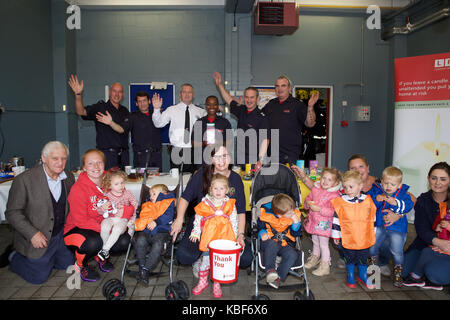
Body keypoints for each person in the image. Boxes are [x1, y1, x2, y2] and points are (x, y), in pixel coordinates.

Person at [170, 144, 252, 270]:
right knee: (184, 256)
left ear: (230, 157)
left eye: (224, 156)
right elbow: (185, 197)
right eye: (217, 157)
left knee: (246, 258)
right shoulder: (202, 174)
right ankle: (202, 258)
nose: (221, 161)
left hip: (227, 225)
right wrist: (179, 219)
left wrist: (240, 234)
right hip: (202, 222)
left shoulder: (236, 179)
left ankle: (215, 261)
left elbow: (240, 211)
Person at [5, 141, 75, 284]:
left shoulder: (68, 177)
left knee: (68, 265)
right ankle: (13, 256)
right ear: (44, 158)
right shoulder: (24, 180)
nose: (60, 163)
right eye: (55, 158)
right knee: (38, 277)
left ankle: (49, 257)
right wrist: (32, 234)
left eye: (63, 158)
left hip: (60, 234)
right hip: (38, 236)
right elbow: (12, 212)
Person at [64, 149, 134, 282]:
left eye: (99, 162)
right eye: (90, 163)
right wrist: (110, 230)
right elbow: (80, 221)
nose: (96, 167)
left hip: (102, 226)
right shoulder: (78, 189)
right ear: (84, 167)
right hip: (77, 229)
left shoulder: (110, 181)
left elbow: (128, 201)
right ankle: (80, 265)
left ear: (104, 164)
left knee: (124, 240)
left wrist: (123, 214)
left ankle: (100, 256)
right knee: (94, 243)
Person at [402, 162, 450, 290]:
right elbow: (421, 230)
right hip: (425, 243)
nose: (437, 183)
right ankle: (424, 271)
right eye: (434, 178)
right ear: (428, 179)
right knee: (404, 272)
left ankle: (431, 272)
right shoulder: (423, 200)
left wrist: (446, 246)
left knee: (435, 275)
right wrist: (439, 242)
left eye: (443, 179)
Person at [190, 174, 238, 298]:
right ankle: (203, 282)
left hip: (224, 238)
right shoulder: (205, 203)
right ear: (210, 189)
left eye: (222, 188)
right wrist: (196, 232)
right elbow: (198, 218)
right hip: (208, 238)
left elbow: (234, 220)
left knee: (218, 264)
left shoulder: (230, 204)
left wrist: (236, 236)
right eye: (215, 188)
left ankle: (217, 284)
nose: (218, 191)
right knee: (206, 261)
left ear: (227, 190)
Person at [68, 74, 130, 170]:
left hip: (124, 156)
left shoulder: (125, 111)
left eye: (120, 92)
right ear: (110, 92)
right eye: (114, 91)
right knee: (107, 183)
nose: (117, 94)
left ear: (123, 94)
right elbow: (81, 111)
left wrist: (110, 122)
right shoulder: (100, 107)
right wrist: (78, 95)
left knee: (123, 183)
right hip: (107, 155)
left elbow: (122, 130)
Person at [213, 72, 270, 171]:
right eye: (247, 97)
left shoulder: (262, 118)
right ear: (244, 98)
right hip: (240, 160)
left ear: (258, 99)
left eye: (252, 97)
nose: (249, 100)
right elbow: (229, 100)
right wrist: (220, 85)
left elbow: (266, 140)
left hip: (254, 161)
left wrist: (260, 160)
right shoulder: (241, 110)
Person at [367, 166, 414, 287]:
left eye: (392, 184)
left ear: (399, 185)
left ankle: (398, 274)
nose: (388, 186)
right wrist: (377, 200)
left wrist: (395, 203)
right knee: (373, 247)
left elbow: (408, 206)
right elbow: (369, 205)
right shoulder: (377, 191)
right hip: (380, 226)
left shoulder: (403, 194)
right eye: (386, 183)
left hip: (397, 229)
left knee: (396, 251)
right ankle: (373, 274)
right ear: (381, 182)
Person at [331, 170, 376, 289]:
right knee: (350, 257)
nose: (348, 190)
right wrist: (336, 235)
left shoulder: (368, 201)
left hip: (364, 238)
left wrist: (373, 233)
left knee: (363, 257)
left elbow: (373, 219)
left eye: (351, 186)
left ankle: (362, 275)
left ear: (360, 186)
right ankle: (350, 274)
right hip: (348, 238)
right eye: (345, 187)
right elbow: (336, 220)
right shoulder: (341, 202)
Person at [261, 75, 318, 164]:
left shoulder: (297, 104)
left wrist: (310, 107)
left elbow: (310, 124)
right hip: (271, 154)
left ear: (289, 88)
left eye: (283, 85)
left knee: (288, 177)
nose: (280, 88)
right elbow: (259, 119)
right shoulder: (270, 104)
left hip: (290, 154)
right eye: (277, 86)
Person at [152, 84, 206, 173]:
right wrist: (156, 110)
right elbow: (158, 124)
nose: (187, 94)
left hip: (195, 151)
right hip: (177, 151)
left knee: (194, 179)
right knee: (176, 179)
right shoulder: (171, 110)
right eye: (184, 92)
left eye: (189, 92)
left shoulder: (201, 112)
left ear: (193, 95)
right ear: (180, 94)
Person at [257, 194, 302, 289]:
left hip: (284, 243)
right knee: (272, 244)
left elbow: (295, 234)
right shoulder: (266, 216)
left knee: (292, 254)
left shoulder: (293, 216)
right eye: (290, 213)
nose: (293, 214)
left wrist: (296, 223)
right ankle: (270, 271)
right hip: (269, 243)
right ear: (279, 215)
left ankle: (278, 277)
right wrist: (262, 233)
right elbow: (259, 227)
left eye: (292, 210)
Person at [303, 167, 342, 277]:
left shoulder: (335, 195)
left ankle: (325, 265)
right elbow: (309, 197)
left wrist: (320, 209)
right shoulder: (316, 189)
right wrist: (307, 204)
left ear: (335, 183)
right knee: (315, 241)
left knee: (324, 244)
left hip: (324, 224)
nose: (325, 181)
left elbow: (334, 211)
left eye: (330, 180)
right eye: (324, 178)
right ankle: (315, 258)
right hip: (314, 221)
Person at [134, 184, 175, 285]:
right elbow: (143, 215)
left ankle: (146, 269)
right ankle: (142, 266)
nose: (151, 196)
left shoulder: (168, 203)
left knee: (158, 245)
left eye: (154, 194)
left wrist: (156, 221)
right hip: (147, 231)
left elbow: (168, 216)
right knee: (140, 241)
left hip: (161, 231)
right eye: (150, 194)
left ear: (164, 194)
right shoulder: (148, 204)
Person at [97, 170, 138, 261]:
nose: (121, 186)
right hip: (111, 217)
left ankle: (105, 250)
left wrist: (133, 218)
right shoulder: (107, 195)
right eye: (116, 184)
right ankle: (105, 249)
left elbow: (135, 205)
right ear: (109, 185)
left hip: (123, 219)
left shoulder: (127, 193)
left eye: (122, 183)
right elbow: (99, 209)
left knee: (117, 229)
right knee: (104, 226)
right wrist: (103, 207)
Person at [123, 91, 162, 169]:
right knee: (141, 179)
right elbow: (121, 129)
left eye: (144, 100)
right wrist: (110, 123)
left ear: (149, 101)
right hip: (141, 158)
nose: (142, 103)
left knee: (157, 180)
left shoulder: (157, 114)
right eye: (139, 101)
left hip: (156, 156)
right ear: (136, 103)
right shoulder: (132, 117)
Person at [191, 95, 232, 167]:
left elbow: (230, 143)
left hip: (220, 160)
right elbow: (193, 143)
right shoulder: (199, 122)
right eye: (209, 105)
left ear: (218, 106)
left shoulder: (225, 122)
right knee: (203, 178)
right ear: (206, 106)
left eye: (214, 104)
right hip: (202, 161)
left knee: (219, 178)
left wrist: (219, 143)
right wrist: (204, 143)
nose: (212, 107)